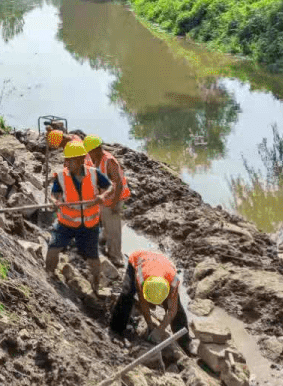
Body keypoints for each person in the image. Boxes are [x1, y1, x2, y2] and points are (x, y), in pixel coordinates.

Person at [45, 136, 112, 293]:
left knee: (93, 257)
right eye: (66, 160)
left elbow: (110, 186)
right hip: (66, 223)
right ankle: (49, 276)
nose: (67, 163)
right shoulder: (61, 176)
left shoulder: (94, 174)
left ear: (81, 159)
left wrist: (102, 196)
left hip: (89, 226)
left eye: (71, 160)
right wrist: (55, 202)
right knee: (53, 248)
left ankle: (96, 284)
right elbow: (53, 194)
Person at [110, 249, 192, 352]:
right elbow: (143, 303)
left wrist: (160, 329)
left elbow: (172, 310)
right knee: (127, 293)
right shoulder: (141, 278)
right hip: (139, 259)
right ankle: (116, 329)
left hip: (163, 265)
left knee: (178, 309)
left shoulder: (174, 282)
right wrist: (150, 325)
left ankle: (185, 342)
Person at [84, 135, 130, 266]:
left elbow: (119, 184)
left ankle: (116, 256)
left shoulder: (109, 161)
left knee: (114, 229)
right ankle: (103, 239)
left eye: (89, 151)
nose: (88, 154)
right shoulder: (95, 159)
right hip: (105, 198)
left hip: (115, 198)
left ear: (96, 149)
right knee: (104, 220)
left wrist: (114, 204)